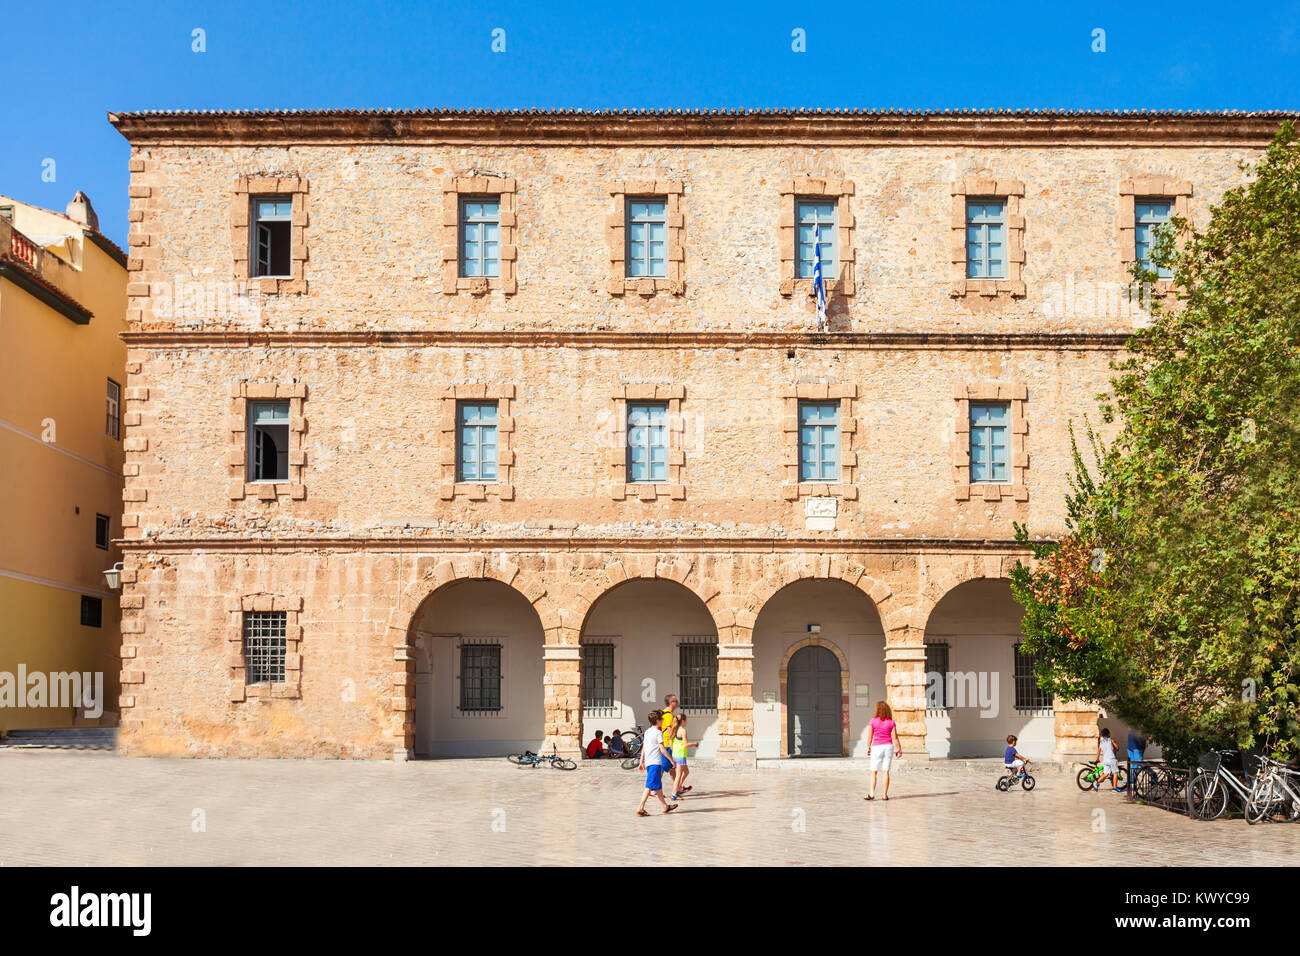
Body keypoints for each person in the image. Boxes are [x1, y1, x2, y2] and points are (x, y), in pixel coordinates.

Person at [636, 710, 679, 816]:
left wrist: (641, 761)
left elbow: (644, 747)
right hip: (655, 763)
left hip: (649, 762)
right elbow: (662, 749)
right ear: (657, 721)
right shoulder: (658, 733)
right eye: (662, 719)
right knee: (649, 786)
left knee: (657, 786)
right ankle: (640, 808)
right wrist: (671, 760)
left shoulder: (647, 732)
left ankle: (665, 806)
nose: (663, 721)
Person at [864, 701, 902, 800]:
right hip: (888, 747)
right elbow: (895, 738)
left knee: (874, 771)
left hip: (877, 747)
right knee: (885, 771)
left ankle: (871, 794)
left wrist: (868, 747)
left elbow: (870, 737)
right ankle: (884, 795)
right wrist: (899, 750)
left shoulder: (873, 721)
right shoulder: (891, 722)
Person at [669, 713, 700, 800]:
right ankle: (674, 794)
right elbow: (685, 745)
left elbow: (671, 743)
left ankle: (678, 789)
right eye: (686, 721)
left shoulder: (674, 729)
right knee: (678, 775)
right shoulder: (682, 730)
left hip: (675, 754)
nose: (686, 722)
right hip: (680, 755)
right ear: (682, 721)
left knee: (686, 772)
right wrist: (695, 744)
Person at [1097, 727, 1124, 791]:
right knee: (1115, 773)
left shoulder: (1101, 742)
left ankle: (1097, 782)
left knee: (1106, 774)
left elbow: (1098, 751)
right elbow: (1117, 748)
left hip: (1105, 760)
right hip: (1111, 759)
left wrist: (1097, 758)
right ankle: (1114, 787)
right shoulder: (1111, 740)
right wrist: (1114, 743)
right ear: (1108, 733)